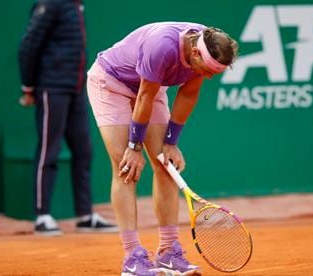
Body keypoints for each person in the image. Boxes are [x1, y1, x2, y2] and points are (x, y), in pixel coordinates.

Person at [86, 22, 238, 275]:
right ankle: (132, 258)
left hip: (151, 88)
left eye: (215, 73)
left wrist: (171, 144)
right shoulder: (163, 46)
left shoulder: (205, 47)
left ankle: (168, 252)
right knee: (126, 168)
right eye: (208, 70)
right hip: (111, 84)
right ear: (196, 53)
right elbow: (144, 96)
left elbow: (188, 95)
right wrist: (134, 147)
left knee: (166, 166)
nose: (209, 76)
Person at [18, 0, 118, 236]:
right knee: (48, 150)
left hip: (75, 88)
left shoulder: (76, 4)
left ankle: (85, 215)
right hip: (51, 87)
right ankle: (42, 216)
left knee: (84, 150)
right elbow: (28, 46)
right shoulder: (50, 3)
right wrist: (28, 86)